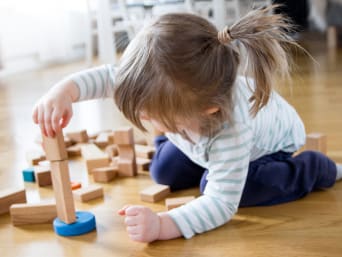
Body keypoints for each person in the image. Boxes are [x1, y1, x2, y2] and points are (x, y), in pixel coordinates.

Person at [32, 6, 342, 243]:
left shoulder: (232, 130)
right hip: (197, 137)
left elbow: (221, 205)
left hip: (264, 151)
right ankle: (187, 145)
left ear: (208, 110)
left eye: (151, 115)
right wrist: (65, 91)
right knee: (163, 171)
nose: (141, 119)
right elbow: (110, 78)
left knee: (220, 187)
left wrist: (164, 225)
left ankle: (314, 170)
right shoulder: (166, 90)